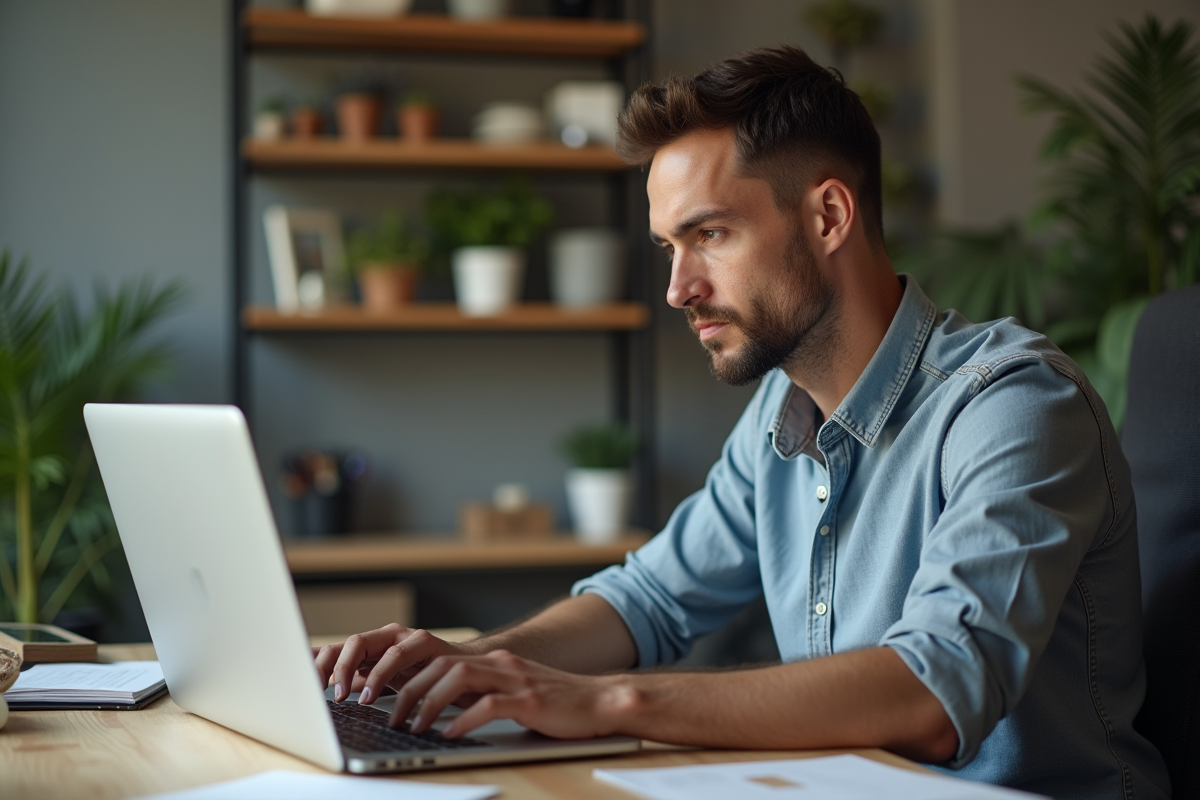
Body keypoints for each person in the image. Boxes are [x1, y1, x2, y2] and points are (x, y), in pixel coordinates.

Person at [314, 46, 1169, 798]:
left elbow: (934, 692)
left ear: (828, 216)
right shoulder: (781, 408)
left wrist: (607, 701)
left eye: (710, 234)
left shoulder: (1013, 404)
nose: (678, 288)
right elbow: (648, 602)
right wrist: (478, 666)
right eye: (667, 248)